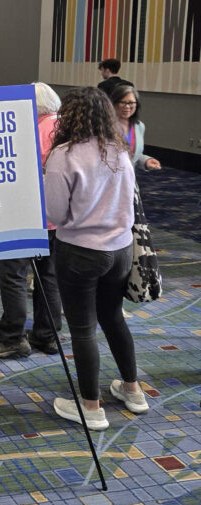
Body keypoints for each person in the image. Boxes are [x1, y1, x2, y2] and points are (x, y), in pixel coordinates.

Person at [44, 86, 145, 430]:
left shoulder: (64, 155)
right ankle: (133, 390)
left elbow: (55, 213)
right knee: (114, 318)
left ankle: (90, 406)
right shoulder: (120, 152)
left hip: (79, 252)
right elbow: (130, 204)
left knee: (83, 329)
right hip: (119, 250)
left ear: (69, 116)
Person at [0, 82, 64, 358]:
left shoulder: (29, 130)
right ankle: (48, 335)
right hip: (58, 217)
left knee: (13, 276)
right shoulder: (67, 129)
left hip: (27, 214)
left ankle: (13, 338)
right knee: (49, 276)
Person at [108, 83, 160, 172]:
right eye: (122, 102)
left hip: (128, 180)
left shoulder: (139, 126)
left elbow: (134, 154)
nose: (127, 106)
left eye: (131, 102)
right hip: (107, 179)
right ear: (114, 103)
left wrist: (146, 160)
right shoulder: (105, 125)